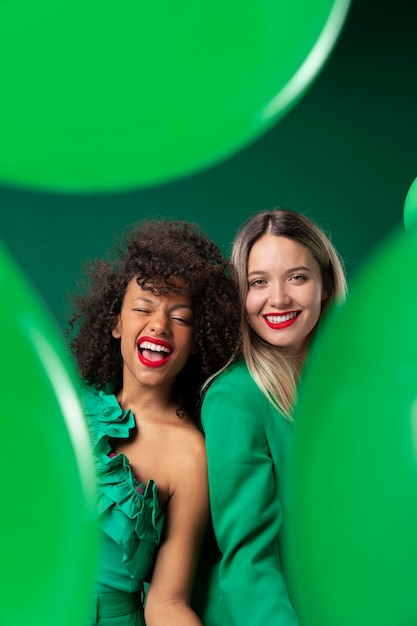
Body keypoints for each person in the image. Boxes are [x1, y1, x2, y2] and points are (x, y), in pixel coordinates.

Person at [65, 218, 241, 626]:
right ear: (115, 324)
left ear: (197, 341)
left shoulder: (190, 455)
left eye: (180, 317)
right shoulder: (70, 409)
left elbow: (167, 603)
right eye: (143, 308)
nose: (159, 324)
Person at [193, 208, 347, 625]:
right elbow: (249, 561)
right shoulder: (235, 397)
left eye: (297, 277)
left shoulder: (350, 390)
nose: (278, 298)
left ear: (326, 285)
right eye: (258, 282)